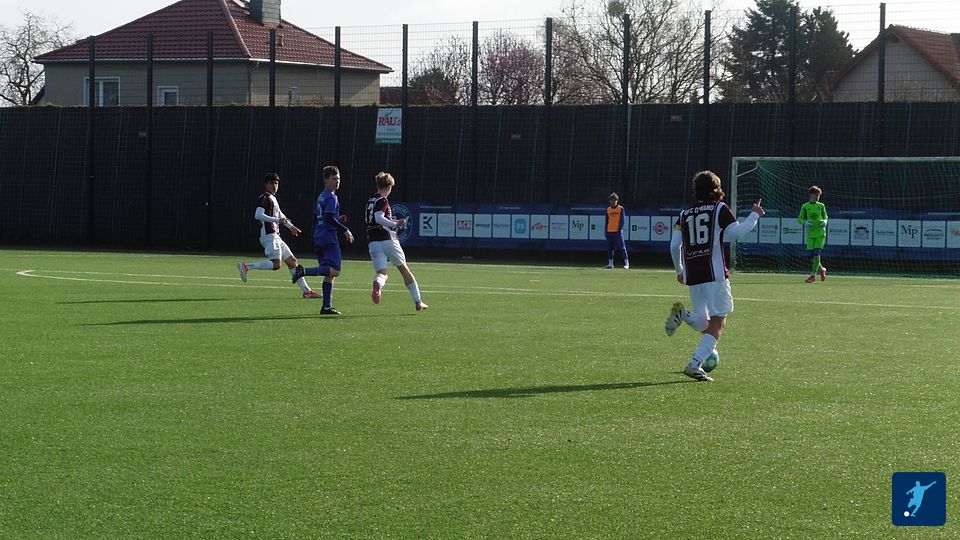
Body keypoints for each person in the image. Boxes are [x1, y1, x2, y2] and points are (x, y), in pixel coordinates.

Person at [664, 170, 765, 382]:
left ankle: (684, 315)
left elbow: (674, 245)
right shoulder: (719, 208)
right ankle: (695, 363)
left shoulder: (684, 214)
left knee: (704, 321)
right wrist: (755, 214)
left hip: (694, 275)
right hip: (715, 274)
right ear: (716, 189)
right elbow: (736, 233)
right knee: (718, 323)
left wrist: (680, 270)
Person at [237, 172, 320, 299]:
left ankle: (307, 291)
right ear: (266, 185)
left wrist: (291, 227)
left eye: (276, 183)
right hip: (269, 235)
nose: (274, 186)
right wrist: (278, 221)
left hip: (275, 235)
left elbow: (280, 215)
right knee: (276, 264)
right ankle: (246, 266)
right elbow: (258, 215)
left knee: (292, 261)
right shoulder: (265, 197)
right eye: (271, 183)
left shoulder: (273, 198)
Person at [293, 165, 354, 315]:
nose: (337, 182)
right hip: (328, 237)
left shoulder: (321, 196)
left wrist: (337, 219)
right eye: (333, 179)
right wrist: (344, 229)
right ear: (326, 180)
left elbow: (320, 217)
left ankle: (326, 307)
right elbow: (328, 217)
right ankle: (303, 271)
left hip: (319, 235)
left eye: (338, 179)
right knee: (336, 270)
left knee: (329, 273)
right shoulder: (332, 197)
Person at [365, 172, 428, 311]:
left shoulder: (371, 200)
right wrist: (395, 224)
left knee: (382, 273)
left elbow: (375, 218)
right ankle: (418, 301)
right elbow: (379, 218)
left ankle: (378, 283)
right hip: (388, 239)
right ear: (388, 187)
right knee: (404, 269)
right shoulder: (382, 200)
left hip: (373, 241)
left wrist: (393, 221)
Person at [798, 185, 828, 283]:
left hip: (820, 233)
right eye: (816, 195)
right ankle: (822, 269)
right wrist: (805, 223)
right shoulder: (805, 206)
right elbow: (800, 218)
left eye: (819, 195)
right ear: (811, 195)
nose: (818, 197)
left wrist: (825, 221)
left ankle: (813, 275)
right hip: (810, 234)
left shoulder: (821, 205)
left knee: (816, 253)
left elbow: (825, 217)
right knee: (812, 256)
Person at [603, 193, 629, 269]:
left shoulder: (621, 209)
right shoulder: (608, 209)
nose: (613, 202)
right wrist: (606, 231)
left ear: (617, 201)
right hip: (609, 231)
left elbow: (622, 221)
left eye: (614, 200)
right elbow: (607, 221)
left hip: (617, 232)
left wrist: (619, 230)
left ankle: (626, 264)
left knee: (622, 248)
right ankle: (610, 264)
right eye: (611, 200)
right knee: (610, 248)